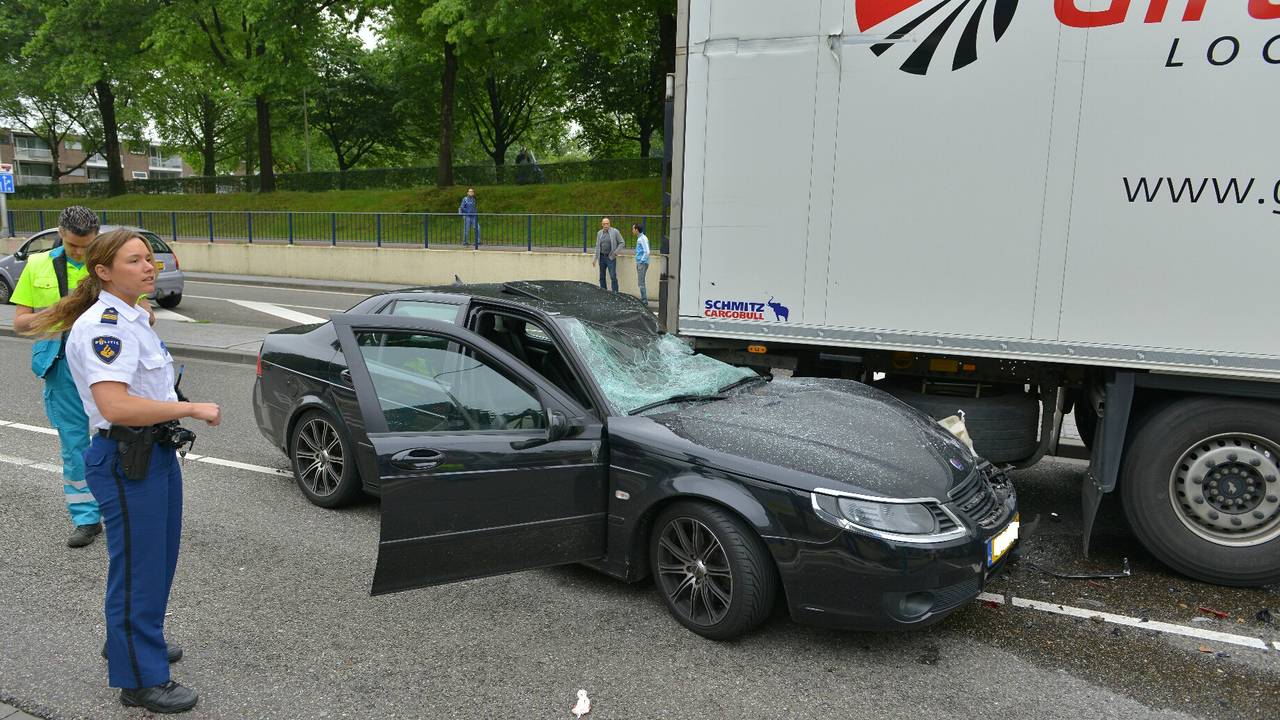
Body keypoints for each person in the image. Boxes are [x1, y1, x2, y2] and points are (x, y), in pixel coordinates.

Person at [25, 228, 221, 714]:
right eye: (135, 260)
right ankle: (139, 679)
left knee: (156, 562)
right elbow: (114, 405)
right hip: (125, 459)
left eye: (150, 258)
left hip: (152, 454)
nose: (149, 266)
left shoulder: (132, 317)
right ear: (104, 272)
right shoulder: (105, 326)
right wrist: (192, 408)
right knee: (138, 569)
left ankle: (133, 641)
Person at [10, 206, 108, 547]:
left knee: (116, 438)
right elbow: (20, 323)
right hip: (61, 365)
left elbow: (145, 315)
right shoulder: (37, 264)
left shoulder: (109, 263)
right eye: (72, 246)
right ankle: (86, 519)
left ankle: (118, 509)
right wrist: (59, 313)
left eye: (86, 245)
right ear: (59, 233)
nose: (80, 253)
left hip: (106, 364)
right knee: (74, 446)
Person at [592, 217, 624, 292]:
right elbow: (597, 246)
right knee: (602, 277)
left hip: (610, 258)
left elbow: (622, 243)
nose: (606, 225)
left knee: (613, 276)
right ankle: (604, 293)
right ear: (602, 225)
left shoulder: (615, 232)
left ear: (609, 224)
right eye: (604, 224)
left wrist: (615, 253)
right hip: (602, 257)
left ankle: (615, 293)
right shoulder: (599, 233)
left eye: (607, 223)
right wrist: (595, 259)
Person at [631, 223, 650, 305]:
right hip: (641, 263)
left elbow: (647, 251)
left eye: (633, 229)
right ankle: (644, 300)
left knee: (641, 283)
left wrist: (641, 261)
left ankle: (644, 301)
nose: (632, 230)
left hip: (642, 263)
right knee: (641, 283)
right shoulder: (640, 238)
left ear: (636, 230)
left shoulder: (642, 239)